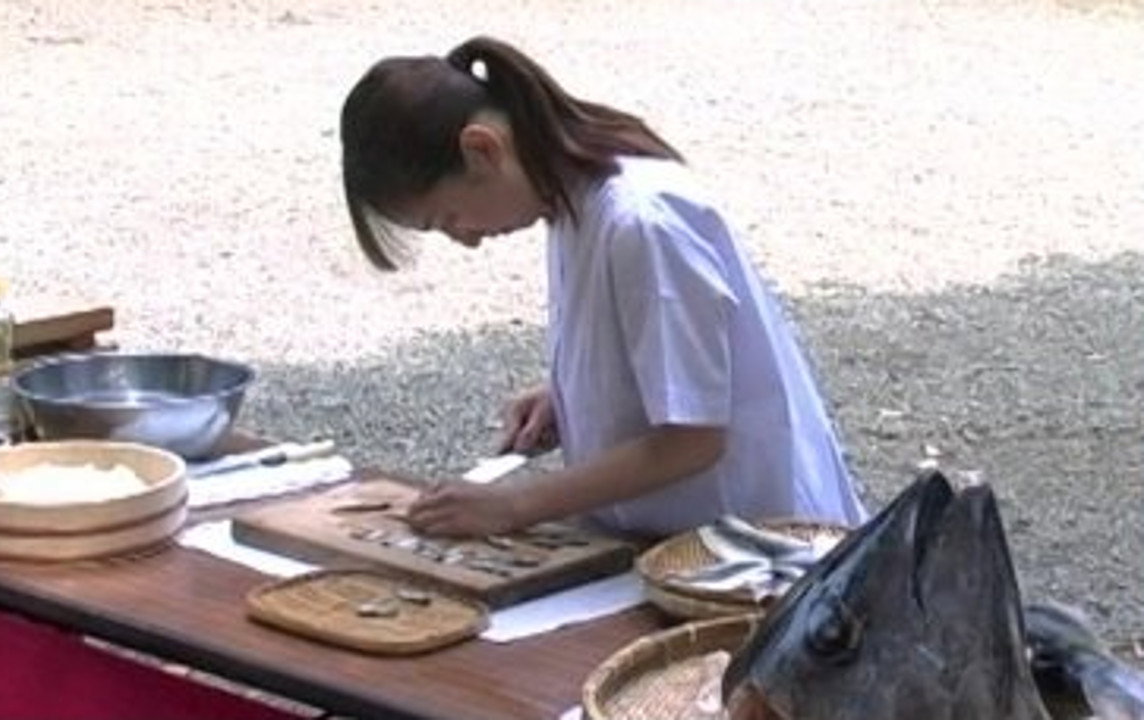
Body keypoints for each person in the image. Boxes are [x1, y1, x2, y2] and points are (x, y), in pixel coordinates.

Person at [339, 35, 868, 539]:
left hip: (753, 551)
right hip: (680, 544)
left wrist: (516, 506)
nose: (468, 240)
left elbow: (694, 438)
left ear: (482, 150)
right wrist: (569, 397)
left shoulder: (642, 222)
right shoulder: (568, 204)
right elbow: (668, 363)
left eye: (450, 218)